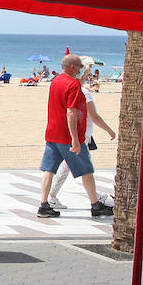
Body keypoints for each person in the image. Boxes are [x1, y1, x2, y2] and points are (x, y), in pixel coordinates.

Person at [37, 54, 114, 219]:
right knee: (86, 170)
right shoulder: (72, 85)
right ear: (72, 67)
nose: (81, 69)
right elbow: (71, 112)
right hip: (67, 137)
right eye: (79, 66)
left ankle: (43, 204)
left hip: (52, 133)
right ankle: (95, 205)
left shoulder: (56, 81)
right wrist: (75, 139)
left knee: (49, 170)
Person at [47, 82, 115, 210]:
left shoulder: (68, 89)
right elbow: (93, 116)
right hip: (79, 137)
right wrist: (109, 130)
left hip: (71, 135)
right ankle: (94, 201)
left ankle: (52, 196)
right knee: (83, 169)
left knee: (69, 167)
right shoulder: (85, 93)